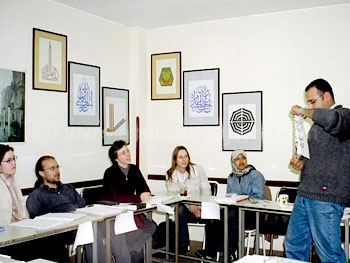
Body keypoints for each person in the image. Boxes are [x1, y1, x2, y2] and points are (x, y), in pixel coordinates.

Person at [285, 78, 350, 263]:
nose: (310, 106)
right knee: (294, 246)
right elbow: (315, 157)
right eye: (308, 103)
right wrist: (301, 163)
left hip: (326, 198)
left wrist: (304, 111)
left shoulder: (344, 116)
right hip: (305, 194)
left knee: (329, 254)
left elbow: (332, 119)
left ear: (327, 96)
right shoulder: (316, 127)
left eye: (312, 102)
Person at [198, 149, 265, 261]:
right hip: (234, 211)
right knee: (214, 216)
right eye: (237, 159)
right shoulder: (231, 177)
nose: (241, 161)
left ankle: (230, 251)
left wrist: (243, 200)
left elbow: (257, 197)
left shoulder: (256, 175)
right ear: (233, 162)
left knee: (231, 215)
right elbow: (229, 196)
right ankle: (210, 251)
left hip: (253, 213)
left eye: (243, 158)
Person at [101, 140, 156, 263]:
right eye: (123, 153)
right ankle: (128, 254)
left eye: (128, 151)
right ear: (116, 158)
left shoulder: (134, 169)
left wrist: (144, 195)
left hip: (131, 210)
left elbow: (145, 189)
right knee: (138, 231)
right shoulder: (110, 173)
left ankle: (131, 250)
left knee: (151, 226)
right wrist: (138, 198)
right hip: (116, 213)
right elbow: (116, 197)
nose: (128, 155)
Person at [26, 155, 87, 263]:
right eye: (52, 168)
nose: (57, 171)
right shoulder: (37, 195)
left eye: (57, 167)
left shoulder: (68, 188)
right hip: (57, 234)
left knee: (99, 230)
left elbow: (82, 206)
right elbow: (36, 222)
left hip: (79, 225)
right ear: (42, 173)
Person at [165, 145, 211, 254]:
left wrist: (199, 207)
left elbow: (206, 191)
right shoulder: (170, 174)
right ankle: (183, 247)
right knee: (179, 209)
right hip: (185, 209)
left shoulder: (198, 170)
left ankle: (209, 251)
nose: (184, 159)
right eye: (180, 157)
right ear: (175, 160)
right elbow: (174, 197)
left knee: (213, 216)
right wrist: (190, 206)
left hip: (201, 207)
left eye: (186, 156)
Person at [0, 144, 28, 225]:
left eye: (14, 158)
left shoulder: (13, 181)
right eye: (8, 161)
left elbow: (22, 209)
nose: (14, 163)